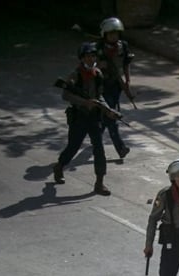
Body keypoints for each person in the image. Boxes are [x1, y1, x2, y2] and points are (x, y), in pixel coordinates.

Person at [52, 42, 118, 196]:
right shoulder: (75, 75)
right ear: (82, 58)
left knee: (99, 149)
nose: (90, 59)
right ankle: (60, 166)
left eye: (93, 56)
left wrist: (108, 110)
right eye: (87, 56)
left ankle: (99, 183)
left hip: (94, 117)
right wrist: (85, 102)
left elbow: (99, 95)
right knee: (73, 147)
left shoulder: (98, 74)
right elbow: (66, 95)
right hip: (79, 117)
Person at [96, 17, 134, 161]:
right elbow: (87, 67)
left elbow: (126, 64)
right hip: (101, 86)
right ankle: (120, 147)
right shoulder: (98, 49)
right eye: (111, 34)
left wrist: (127, 80)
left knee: (107, 116)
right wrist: (100, 66)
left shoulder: (122, 46)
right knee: (111, 115)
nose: (114, 37)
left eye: (116, 34)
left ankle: (96, 139)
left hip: (116, 85)